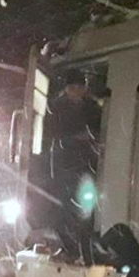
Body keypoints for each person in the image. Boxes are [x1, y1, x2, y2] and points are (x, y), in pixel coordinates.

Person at [47, 69, 102, 264]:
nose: (78, 91)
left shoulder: (92, 106)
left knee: (86, 212)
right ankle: (70, 249)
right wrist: (79, 139)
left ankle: (85, 253)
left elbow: (99, 129)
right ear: (67, 89)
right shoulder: (58, 107)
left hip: (86, 166)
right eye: (74, 87)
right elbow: (57, 138)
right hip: (65, 166)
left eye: (81, 86)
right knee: (61, 210)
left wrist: (92, 140)